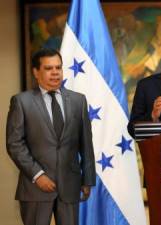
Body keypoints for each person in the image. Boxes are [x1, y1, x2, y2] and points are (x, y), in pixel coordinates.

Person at [6, 48, 95, 225]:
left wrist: (88, 179)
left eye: (58, 67)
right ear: (36, 72)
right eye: (48, 68)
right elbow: (14, 144)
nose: (55, 72)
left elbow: (86, 143)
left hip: (70, 187)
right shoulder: (21, 102)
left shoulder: (78, 101)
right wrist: (37, 175)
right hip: (35, 189)